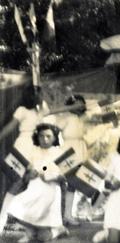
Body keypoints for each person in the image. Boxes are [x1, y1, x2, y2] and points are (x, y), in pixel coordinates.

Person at [0, 86, 55, 234]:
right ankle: (2, 219)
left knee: (31, 183)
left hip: (36, 149)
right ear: (31, 96)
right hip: (23, 146)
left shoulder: (41, 110)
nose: (42, 96)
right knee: (18, 182)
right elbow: (11, 127)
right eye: (39, 93)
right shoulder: (22, 110)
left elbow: (55, 108)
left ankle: (21, 221)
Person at [7, 123, 68, 242]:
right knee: (13, 205)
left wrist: (51, 177)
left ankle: (57, 230)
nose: (45, 139)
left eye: (48, 136)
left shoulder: (60, 152)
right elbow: (25, 175)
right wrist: (29, 175)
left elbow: (65, 177)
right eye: (41, 136)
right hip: (33, 187)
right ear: (37, 137)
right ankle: (31, 231)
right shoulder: (33, 151)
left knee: (44, 238)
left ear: (55, 137)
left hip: (50, 190)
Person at [56, 94, 90, 225]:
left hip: (80, 150)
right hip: (67, 150)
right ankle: (57, 216)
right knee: (61, 182)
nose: (79, 106)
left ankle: (68, 215)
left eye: (81, 104)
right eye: (76, 104)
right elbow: (54, 130)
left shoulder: (84, 119)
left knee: (73, 184)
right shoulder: (66, 118)